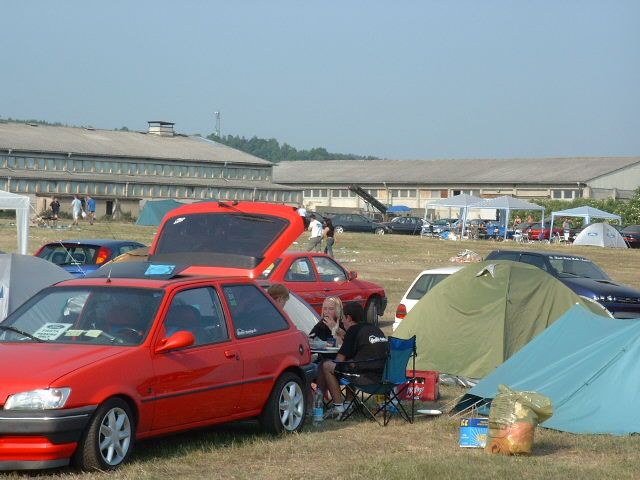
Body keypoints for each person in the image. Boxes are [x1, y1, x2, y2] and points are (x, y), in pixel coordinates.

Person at [317, 302, 389, 419]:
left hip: (366, 378)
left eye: (343, 318)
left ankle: (338, 407)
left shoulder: (353, 330)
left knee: (326, 366)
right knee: (351, 363)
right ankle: (348, 403)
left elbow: (339, 360)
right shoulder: (375, 329)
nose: (343, 322)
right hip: (384, 377)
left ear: (349, 318)